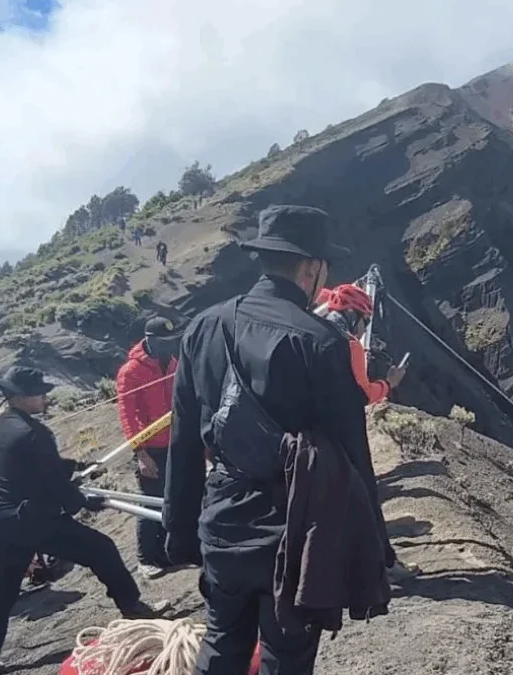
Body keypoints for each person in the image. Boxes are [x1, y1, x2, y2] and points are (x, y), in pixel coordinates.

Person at [164, 204, 394, 675]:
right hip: (291, 531)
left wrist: (180, 530)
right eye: (324, 265)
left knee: (221, 647)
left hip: (221, 521)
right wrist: (375, 545)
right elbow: (353, 454)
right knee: (285, 658)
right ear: (310, 267)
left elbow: (183, 440)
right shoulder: (322, 342)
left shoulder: (205, 326)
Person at [0, 366, 159, 675]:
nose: (45, 398)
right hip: (35, 521)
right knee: (101, 549)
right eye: (39, 393)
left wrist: (79, 466)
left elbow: (37, 466)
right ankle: (132, 608)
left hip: (3, 523)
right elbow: (55, 483)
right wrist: (84, 502)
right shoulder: (36, 433)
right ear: (20, 397)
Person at [116, 316, 179, 579]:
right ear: (149, 340)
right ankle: (146, 559)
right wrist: (140, 453)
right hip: (150, 448)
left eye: (171, 340)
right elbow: (127, 415)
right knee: (150, 502)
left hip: (174, 443)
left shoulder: (173, 363)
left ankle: (166, 552)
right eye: (163, 341)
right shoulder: (130, 371)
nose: (168, 345)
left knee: (172, 498)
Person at [316, 283, 405, 405]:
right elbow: (364, 395)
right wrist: (389, 383)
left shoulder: (309, 330)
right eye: (366, 321)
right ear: (352, 314)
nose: (365, 330)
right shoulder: (351, 345)